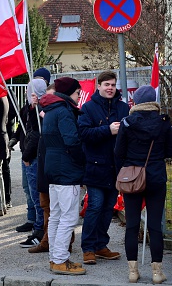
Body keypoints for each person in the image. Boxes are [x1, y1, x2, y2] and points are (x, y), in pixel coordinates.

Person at [115, 85, 172, 284]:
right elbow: (168, 151)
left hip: (132, 177)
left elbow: (118, 152)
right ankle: (157, 273)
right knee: (155, 226)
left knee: (131, 224)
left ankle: (133, 272)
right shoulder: (164, 123)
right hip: (156, 176)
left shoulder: (127, 122)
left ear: (136, 101)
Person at [78, 71, 129, 265]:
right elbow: (83, 133)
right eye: (106, 84)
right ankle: (88, 248)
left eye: (113, 85)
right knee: (95, 206)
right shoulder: (88, 108)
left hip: (116, 168)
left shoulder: (124, 108)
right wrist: (107, 130)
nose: (110, 88)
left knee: (108, 208)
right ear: (98, 86)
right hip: (95, 167)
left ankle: (101, 245)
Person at [39, 77, 85, 275]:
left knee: (56, 215)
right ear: (69, 93)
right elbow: (72, 141)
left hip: (53, 168)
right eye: (77, 93)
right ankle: (59, 259)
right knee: (68, 217)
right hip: (67, 170)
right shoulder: (64, 111)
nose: (78, 97)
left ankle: (55, 257)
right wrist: (82, 161)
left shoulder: (50, 110)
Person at [19, 79, 47, 248]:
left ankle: (39, 232)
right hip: (31, 156)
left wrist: (27, 155)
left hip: (34, 157)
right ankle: (38, 230)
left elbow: (36, 134)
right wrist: (31, 107)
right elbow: (26, 124)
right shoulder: (34, 108)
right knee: (35, 196)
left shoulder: (42, 109)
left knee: (38, 199)